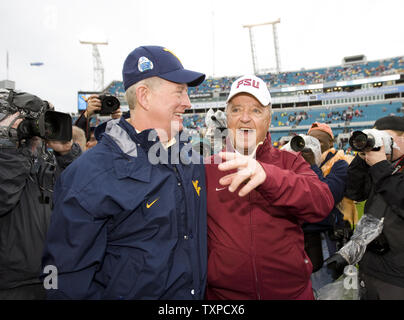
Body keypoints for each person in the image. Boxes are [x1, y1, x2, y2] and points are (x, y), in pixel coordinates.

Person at [41, 45, 207, 299]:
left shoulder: (192, 161)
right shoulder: (88, 174)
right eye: (179, 92)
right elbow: (64, 279)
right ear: (144, 96)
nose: (187, 102)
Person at [204, 75, 334, 300]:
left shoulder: (290, 162)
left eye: (256, 111)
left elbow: (322, 203)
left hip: (291, 294)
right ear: (227, 118)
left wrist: (268, 176)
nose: (245, 118)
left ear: (269, 118)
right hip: (224, 298)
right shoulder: (207, 168)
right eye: (236, 110)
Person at [0, 89, 81, 299]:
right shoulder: (12, 158)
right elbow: (3, 197)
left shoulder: (48, 159)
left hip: (55, 274)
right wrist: (12, 146)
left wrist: (67, 153)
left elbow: (81, 193)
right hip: (12, 282)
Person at [327, 115, 404, 300]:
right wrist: (362, 158)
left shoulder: (383, 168)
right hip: (371, 265)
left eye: (386, 137)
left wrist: (381, 167)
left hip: (398, 275)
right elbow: (355, 192)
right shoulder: (379, 166)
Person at [299, 122, 354, 293]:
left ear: (331, 143)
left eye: (319, 141)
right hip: (301, 238)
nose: (314, 145)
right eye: (310, 141)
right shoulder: (297, 164)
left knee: (325, 290)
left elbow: (326, 196)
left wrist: (311, 166)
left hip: (327, 238)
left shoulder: (340, 165)